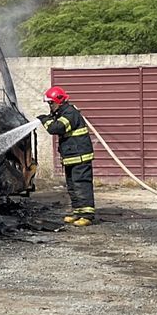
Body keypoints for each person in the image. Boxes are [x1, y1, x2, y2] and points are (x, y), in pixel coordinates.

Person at [38, 86, 96, 226]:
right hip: (72, 157)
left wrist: (45, 120)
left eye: (51, 103)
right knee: (72, 186)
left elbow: (56, 128)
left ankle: (87, 215)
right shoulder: (63, 113)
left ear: (59, 101)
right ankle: (78, 211)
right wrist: (50, 117)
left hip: (80, 157)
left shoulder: (70, 113)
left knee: (81, 184)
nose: (50, 106)